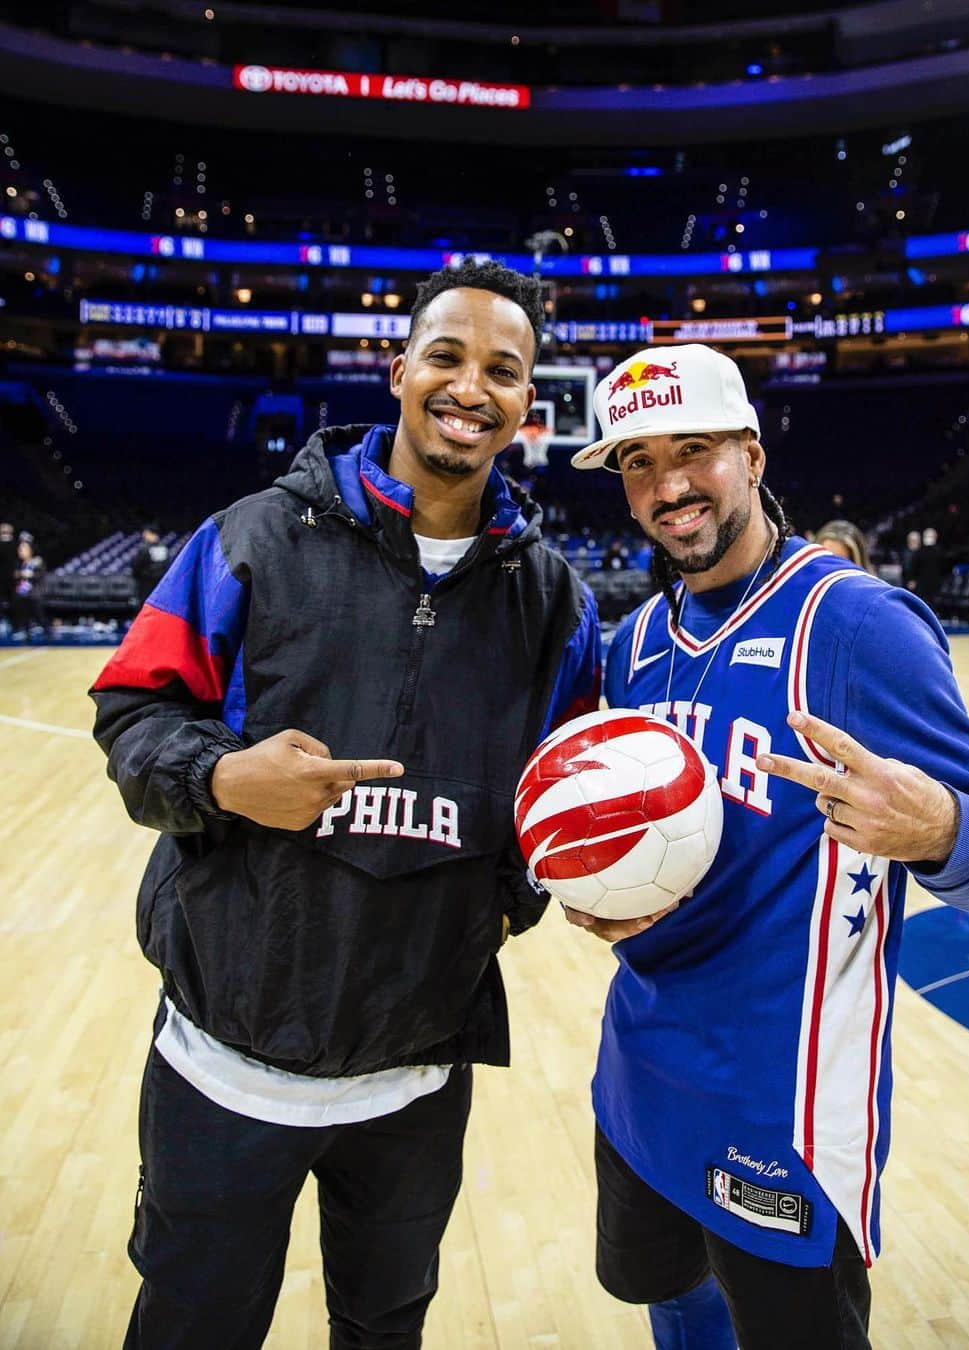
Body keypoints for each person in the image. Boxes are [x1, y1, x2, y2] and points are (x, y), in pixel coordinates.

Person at [90, 258, 600, 1350]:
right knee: (190, 1329)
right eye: (449, 357)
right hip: (225, 1066)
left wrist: (509, 900)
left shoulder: (555, 602)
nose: (471, 386)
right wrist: (225, 780)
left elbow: (569, 792)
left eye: (502, 371)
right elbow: (132, 714)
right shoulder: (249, 539)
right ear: (400, 368)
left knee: (383, 1329)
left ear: (526, 403)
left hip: (416, 1076)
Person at [565, 343, 969, 1350]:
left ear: (751, 452)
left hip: (779, 1112)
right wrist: (593, 886)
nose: (667, 486)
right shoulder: (638, 637)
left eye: (693, 449)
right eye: (638, 463)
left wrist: (937, 829)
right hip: (640, 1074)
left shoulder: (857, 624)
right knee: (676, 1310)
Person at [11, 535, 47, 637]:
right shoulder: (19, 563)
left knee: (35, 607)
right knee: (18, 602)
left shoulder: (37, 561)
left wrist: (30, 574)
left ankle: (45, 630)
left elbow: (40, 576)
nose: (20, 551)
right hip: (22, 592)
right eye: (20, 549)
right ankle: (23, 630)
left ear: (30, 550)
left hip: (35, 591)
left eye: (23, 549)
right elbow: (15, 575)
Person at [130, 522, 171, 609]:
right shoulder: (164, 548)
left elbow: (136, 567)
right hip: (160, 586)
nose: (144, 535)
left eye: (145, 533)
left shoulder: (144, 549)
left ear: (150, 533)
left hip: (146, 586)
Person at [912, 525, 943, 611]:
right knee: (932, 605)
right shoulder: (939, 552)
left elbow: (915, 568)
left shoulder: (919, 552)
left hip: (921, 583)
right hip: (934, 583)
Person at [0, 521, 17, 628]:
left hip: (6, 579)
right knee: (13, 602)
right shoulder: (16, 544)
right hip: (13, 578)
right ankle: (15, 625)